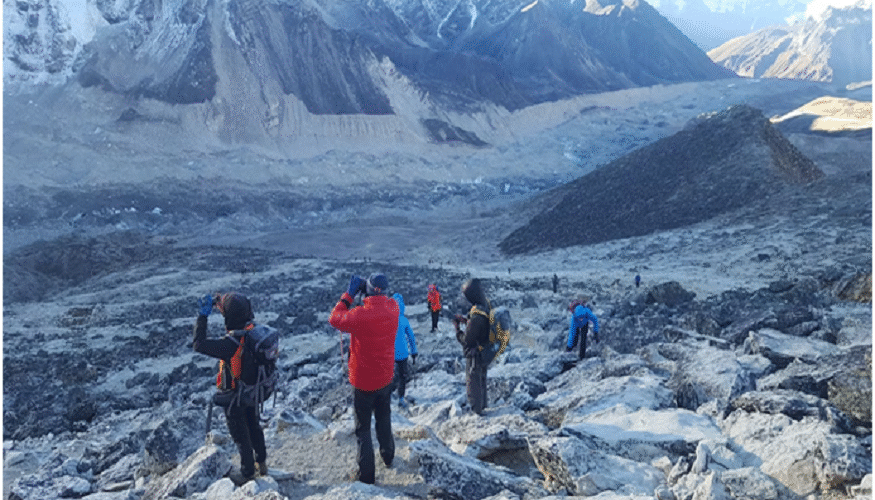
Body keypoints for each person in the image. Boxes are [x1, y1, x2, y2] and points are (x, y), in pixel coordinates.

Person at [329, 273, 398, 485]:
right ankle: (388, 456)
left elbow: (335, 318)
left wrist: (349, 294)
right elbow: (380, 302)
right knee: (384, 418)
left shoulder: (360, 315)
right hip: (386, 376)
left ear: (367, 291)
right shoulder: (394, 308)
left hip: (363, 381)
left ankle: (366, 477)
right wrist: (368, 293)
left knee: (363, 428)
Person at [193, 292, 268, 484]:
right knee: (254, 427)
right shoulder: (253, 332)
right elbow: (237, 316)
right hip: (251, 390)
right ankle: (263, 464)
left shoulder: (230, 345)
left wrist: (203, 316)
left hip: (233, 396)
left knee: (241, 436)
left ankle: (248, 473)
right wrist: (224, 307)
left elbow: (199, 344)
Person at [453, 278, 491, 415]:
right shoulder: (486, 305)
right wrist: (466, 321)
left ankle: (477, 412)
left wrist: (457, 329)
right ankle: (484, 407)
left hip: (475, 354)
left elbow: (467, 340)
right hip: (485, 350)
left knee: (473, 382)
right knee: (482, 380)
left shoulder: (476, 316)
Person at [391, 293, 418, 408]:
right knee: (402, 376)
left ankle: (387, 395)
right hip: (403, 354)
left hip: (389, 354)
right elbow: (411, 338)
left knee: (390, 376)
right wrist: (414, 352)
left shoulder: (387, 319)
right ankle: (401, 398)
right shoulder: (404, 320)